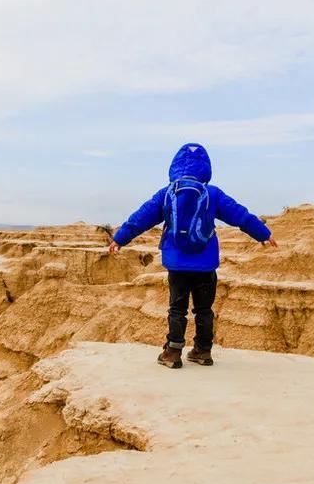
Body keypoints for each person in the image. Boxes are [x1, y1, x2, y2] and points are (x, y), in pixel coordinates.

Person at [108, 143, 277, 368]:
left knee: (177, 308)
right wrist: (263, 234)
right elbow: (240, 215)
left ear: (174, 166)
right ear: (206, 168)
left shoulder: (166, 194)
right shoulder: (213, 194)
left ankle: (173, 353)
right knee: (204, 309)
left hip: (177, 263)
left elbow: (141, 218)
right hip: (206, 263)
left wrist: (120, 238)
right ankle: (203, 351)